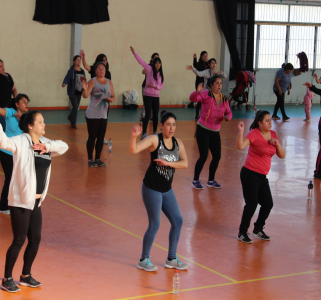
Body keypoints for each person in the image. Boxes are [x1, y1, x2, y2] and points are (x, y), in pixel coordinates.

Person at [0, 110, 68, 293]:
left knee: (35, 239)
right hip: (20, 201)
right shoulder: (21, 141)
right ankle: (6, 279)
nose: (44, 124)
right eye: (40, 122)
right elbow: (3, 142)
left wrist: (48, 148)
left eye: (43, 121)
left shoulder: (45, 143)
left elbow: (64, 146)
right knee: (19, 240)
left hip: (36, 202)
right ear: (30, 126)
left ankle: (25, 275)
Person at [129, 111, 188, 272]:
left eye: (174, 124)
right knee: (155, 223)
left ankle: (171, 258)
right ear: (161, 126)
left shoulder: (178, 143)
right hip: (151, 188)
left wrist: (169, 164)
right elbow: (134, 150)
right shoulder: (155, 140)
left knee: (178, 221)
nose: (171, 128)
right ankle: (143, 259)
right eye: (168, 124)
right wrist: (134, 136)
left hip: (166, 189)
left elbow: (185, 163)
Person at [236, 110, 286, 243]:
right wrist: (241, 131)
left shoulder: (273, 134)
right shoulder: (254, 134)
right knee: (251, 204)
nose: (270, 123)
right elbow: (241, 146)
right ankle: (242, 232)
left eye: (270, 120)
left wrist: (277, 144)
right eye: (267, 120)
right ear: (260, 123)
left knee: (268, 203)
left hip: (262, 177)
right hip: (249, 173)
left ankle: (257, 229)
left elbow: (282, 155)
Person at [0, 89, 30, 214]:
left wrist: (23, 120)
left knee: (18, 178)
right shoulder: (10, 112)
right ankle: (3, 206)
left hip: (19, 152)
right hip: (7, 151)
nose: (26, 104)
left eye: (27, 102)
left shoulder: (27, 117)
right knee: (9, 178)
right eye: (24, 102)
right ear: (17, 104)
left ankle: (15, 202)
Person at [189, 75, 232, 189]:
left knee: (217, 156)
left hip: (215, 131)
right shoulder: (205, 94)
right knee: (203, 156)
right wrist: (197, 92)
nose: (219, 85)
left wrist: (228, 117)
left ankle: (211, 180)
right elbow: (192, 99)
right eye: (217, 83)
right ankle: (195, 180)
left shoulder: (224, 99)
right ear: (211, 85)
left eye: (220, 83)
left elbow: (229, 112)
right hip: (203, 129)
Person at [82, 62, 115, 167]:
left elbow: (113, 96)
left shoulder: (109, 82)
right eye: (99, 69)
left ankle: (97, 159)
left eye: (103, 68)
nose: (101, 70)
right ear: (96, 71)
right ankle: (90, 159)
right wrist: (84, 88)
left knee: (101, 138)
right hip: (92, 114)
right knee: (92, 137)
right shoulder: (92, 81)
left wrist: (111, 99)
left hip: (103, 114)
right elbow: (86, 95)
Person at [130, 46, 164, 139]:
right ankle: (144, 133)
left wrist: (155, 86)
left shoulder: (161, 74)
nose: (157, 64)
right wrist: (134, 53)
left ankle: (155, 132)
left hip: (156, 96)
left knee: (156, 114)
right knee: (148, 114)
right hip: (147, 95)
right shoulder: (149, 69)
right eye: (156, 63)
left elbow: (161, 86)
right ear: (153, 63)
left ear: (160, 64)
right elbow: (141, 62)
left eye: (159, 63)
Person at [80, 50, 111, 143]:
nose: (105, 61)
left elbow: (109, 86)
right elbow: (86, 66)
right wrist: (83, 58)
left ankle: (101, 136)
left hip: (105, 101)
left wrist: (110, 97)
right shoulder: (94, 69)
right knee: (94, 121)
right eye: (103, 60)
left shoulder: (107, 73)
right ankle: (91, 136)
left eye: (106, 60)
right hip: (95, 99)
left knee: (104, 119)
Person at [62, 55, 86, 129]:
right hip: (72, 92)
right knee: (75, 107)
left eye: (80, 60)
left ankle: (70, 117)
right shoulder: (71, 70)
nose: (79, 61)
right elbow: (67, 77)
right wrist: (64, 82)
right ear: (74, 61)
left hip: (79, 92)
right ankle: (74, 123)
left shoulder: (82, 71)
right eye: (78, 60)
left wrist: (86, 87)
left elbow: (84, 80)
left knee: (76, 107)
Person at [140, 53, 159, 123]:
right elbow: (143, 71)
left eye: (158, 58)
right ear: (152, 59)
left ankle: (151, 117)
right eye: (155, 58)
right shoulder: (149, 66)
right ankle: (142, 118)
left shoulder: (158, 68)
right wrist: (148, 70)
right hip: (145, 87)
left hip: (154, 89)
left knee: (153, 104)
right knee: (146, 103)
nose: (157, 60)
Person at [193, 51, 209, 119]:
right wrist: (194, 58)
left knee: (205, 100)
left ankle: (204, 114)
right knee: (199, 99)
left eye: (206, 56)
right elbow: (195, 65)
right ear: (201, 57)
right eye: (204, 56)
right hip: (199, 83)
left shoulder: (208, 64)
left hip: (206, 84)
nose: (205, 57)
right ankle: (197, 115)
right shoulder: (199, 64)